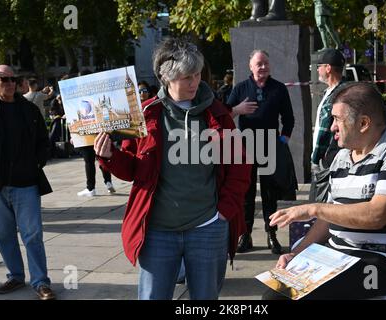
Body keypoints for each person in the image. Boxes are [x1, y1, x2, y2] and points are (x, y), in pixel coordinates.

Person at [93, 38, 251, 300]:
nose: (195, 82)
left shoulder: (217, 114)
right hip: (157, 231)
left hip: (208, 227)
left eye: (198, 74)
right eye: (186, 77)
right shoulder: (146, 114)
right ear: (167, 78)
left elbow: (240, 166)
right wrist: (110, 156)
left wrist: (223, 212)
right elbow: (134, 169)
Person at [264, 82, 386, 300]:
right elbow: (332, 215)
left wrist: (315, 208)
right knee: (276, 291)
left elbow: (376, 215)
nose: (331, 126)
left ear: (363, 123)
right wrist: (297, 253)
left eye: (337, 119)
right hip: (338, 255)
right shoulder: (342, 157)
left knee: (285, 297)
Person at [227, 49, 294, 254]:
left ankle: (271, 234)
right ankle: (244, 235)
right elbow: (225, 114)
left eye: (266, 63)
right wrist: (238, 110)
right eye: (259, 64)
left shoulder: (279, 89)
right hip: (246, 146)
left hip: (270, 145)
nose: (263, 67)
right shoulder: (240, 88)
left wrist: (283, 139)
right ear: (251, 67)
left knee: (269, 193)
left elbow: (289, 118)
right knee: (246, 193)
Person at [0, 65, 55, 300]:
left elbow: (43, 140)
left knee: (32, 235)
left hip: (26, 183)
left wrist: (37, 163)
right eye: (4, 79)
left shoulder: (29, 109)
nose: (10, 83)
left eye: (14, 79)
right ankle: (15, 276)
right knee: (2, 235)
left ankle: (40, 282)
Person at [310, 48, 345, 203]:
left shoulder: (337, 94)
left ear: (328, 68)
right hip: (328, 156)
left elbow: (325, 130)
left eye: (320, 65)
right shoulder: (329, 92)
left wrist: (315, 157)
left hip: (329, 157)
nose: (318, 69)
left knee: (321, 203)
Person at [75, 70, 116, 196]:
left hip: (87, 132)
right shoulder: (98, 93)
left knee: (89, 161)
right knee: (102, 157)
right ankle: (108, 182)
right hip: (100, 131)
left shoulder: (80, 96)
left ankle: (90, 188)